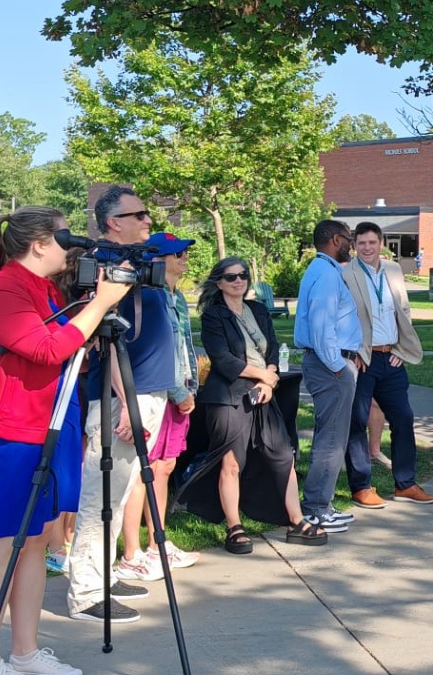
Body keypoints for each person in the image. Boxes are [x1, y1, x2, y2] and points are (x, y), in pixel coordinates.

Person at [0, 206, 132, 675]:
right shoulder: (2, 289)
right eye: (63, 237)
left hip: (52, 423)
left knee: (36, 541)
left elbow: (71, 344)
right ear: (38, 244)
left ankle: (25, 650)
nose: (70, 245)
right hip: (10, 428)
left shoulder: (49, 289)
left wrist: (95, 306)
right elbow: (44, 349)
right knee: (6, 546)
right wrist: (100, 303)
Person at [67, 184, 181, 624]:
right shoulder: (108, 269)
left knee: (119, 490)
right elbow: (107, 339)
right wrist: (125, 401)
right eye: (139, 215)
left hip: (143, 392)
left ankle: (104, 577)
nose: (147, 221)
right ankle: (86, 593)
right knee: (101, 496)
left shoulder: (135, 263)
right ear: (113, 223)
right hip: (123, 397)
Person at [177, 257, 329, 551]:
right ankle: (234, 527)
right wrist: (266, 377)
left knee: (284, 454)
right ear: (219, 282)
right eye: (231, 277)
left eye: (243, 275)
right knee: (232, 461)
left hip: (263, 391)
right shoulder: (213, 316)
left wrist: (268, 378)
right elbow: (222, 360)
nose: (238, 281)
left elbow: (272, 347)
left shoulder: (257, 310)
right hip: (229, 396)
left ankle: (296, 520)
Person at [116, 236, 203, 582]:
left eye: (185, 253)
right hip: (156, 392)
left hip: (180, 391)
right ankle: (130, 553)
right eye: (177, 254)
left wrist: (189, 386)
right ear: (157, 260)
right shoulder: (146, 297)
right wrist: (178, 391)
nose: (184, 258)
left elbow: (183, 345)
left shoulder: (176, 296)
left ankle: (157, 543)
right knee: (141, 471)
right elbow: (149, 354)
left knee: (164, 468)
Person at [342, 222, 433, 507]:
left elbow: (402, 311)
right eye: (361, 243)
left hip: (391, 358)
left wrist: (401, 349)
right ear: (354, 245)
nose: (367, 248)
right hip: (364, 360)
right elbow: (342, 317)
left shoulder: (394, 271)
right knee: (357, 421)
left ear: (382, 243)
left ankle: (405, 483)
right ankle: (361, 487)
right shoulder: (347, 274)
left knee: (404, 418)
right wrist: (353, 351)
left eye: (372, 242)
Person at [292, 219, 364, 531]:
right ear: (336, 239)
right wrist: (338, 366)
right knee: (332, 439)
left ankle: (323, 504)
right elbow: (322, 327)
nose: (353, 244)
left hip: (332, 364)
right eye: (349, 239)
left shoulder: (326, 271)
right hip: (329, 367)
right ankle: (316, 509)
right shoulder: (325, 274)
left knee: (332, 436)